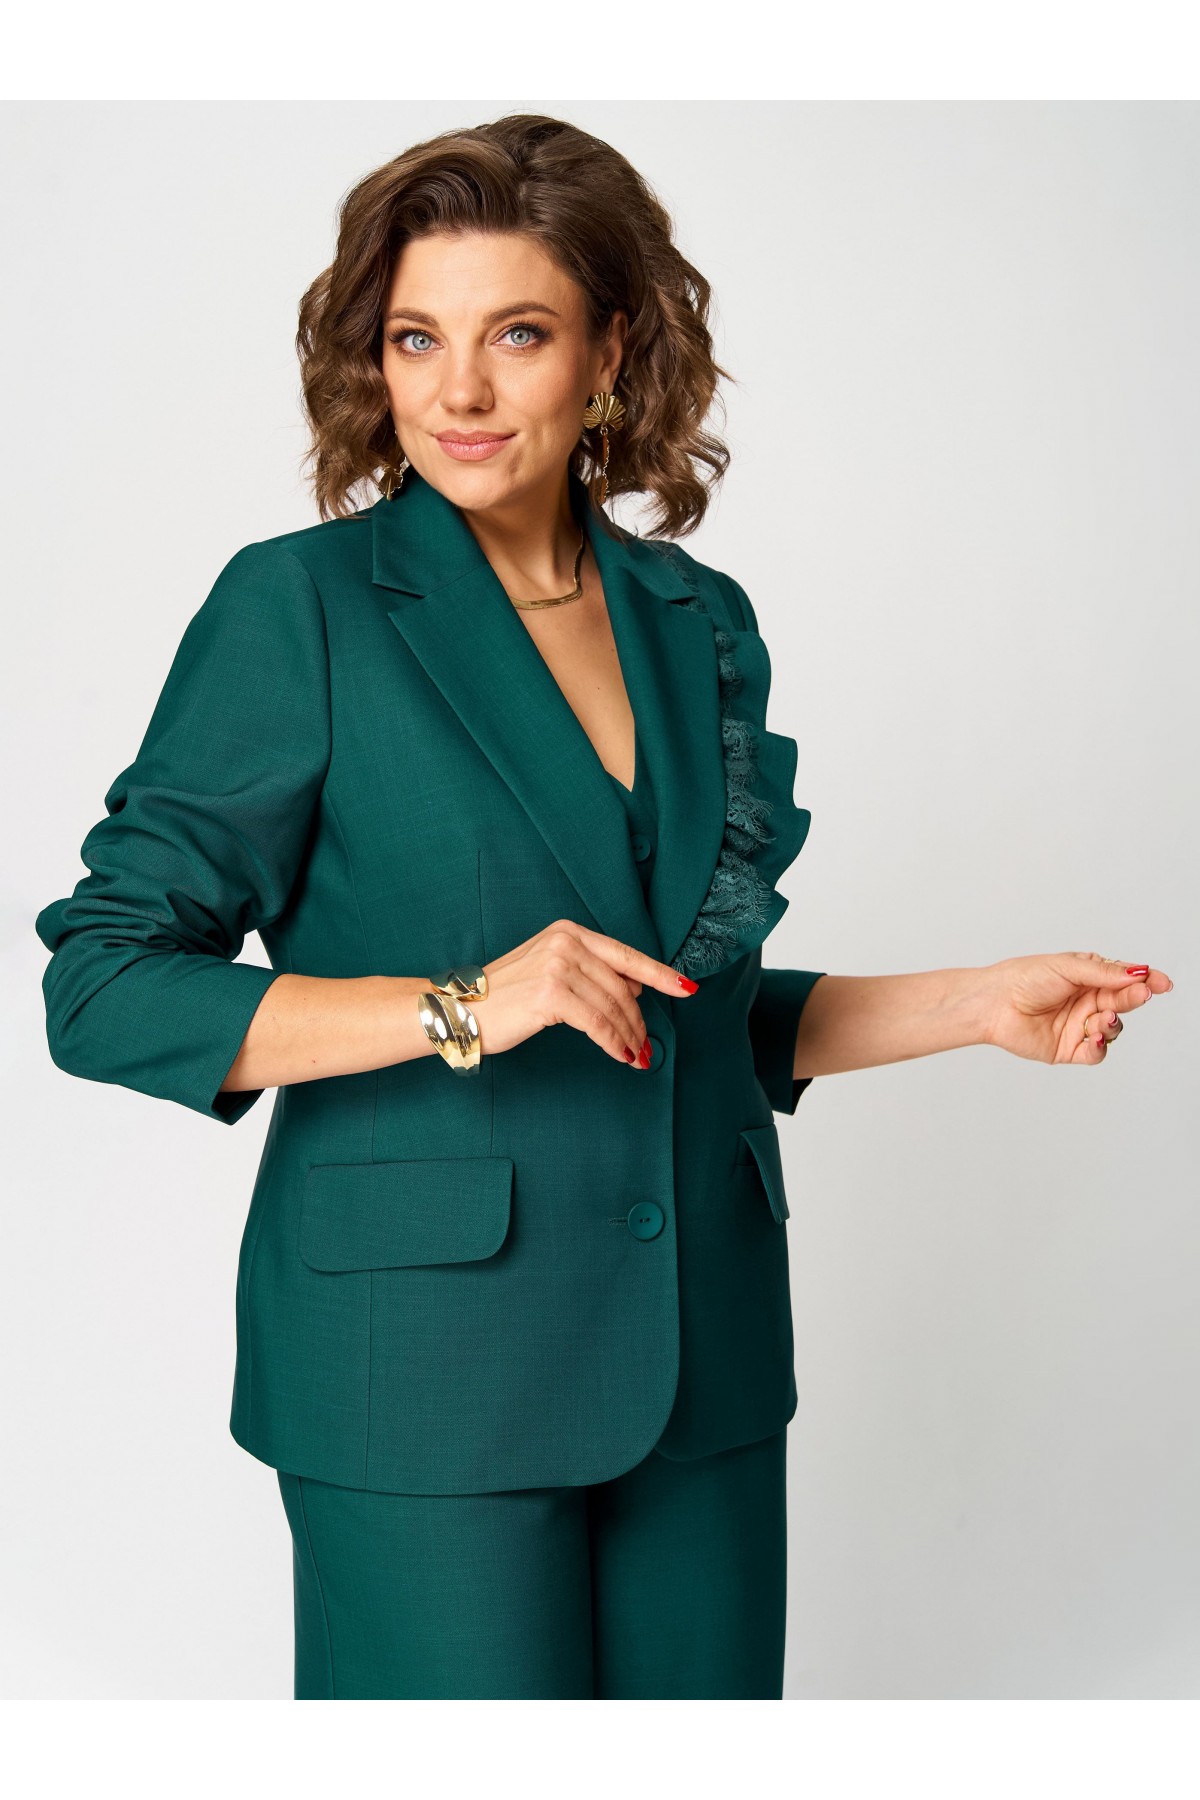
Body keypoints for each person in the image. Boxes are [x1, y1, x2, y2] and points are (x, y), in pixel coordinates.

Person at [34, 112, 1172, 1701]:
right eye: (417, 338)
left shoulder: (696, 620)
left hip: (703, 1359)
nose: (459, 391)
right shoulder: (299, 611)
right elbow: (102, 986)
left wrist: (973, 1007)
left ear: (611, 352)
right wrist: (461, 1007)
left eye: (517, 333)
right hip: (423, 1382)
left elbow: (677, 1008)